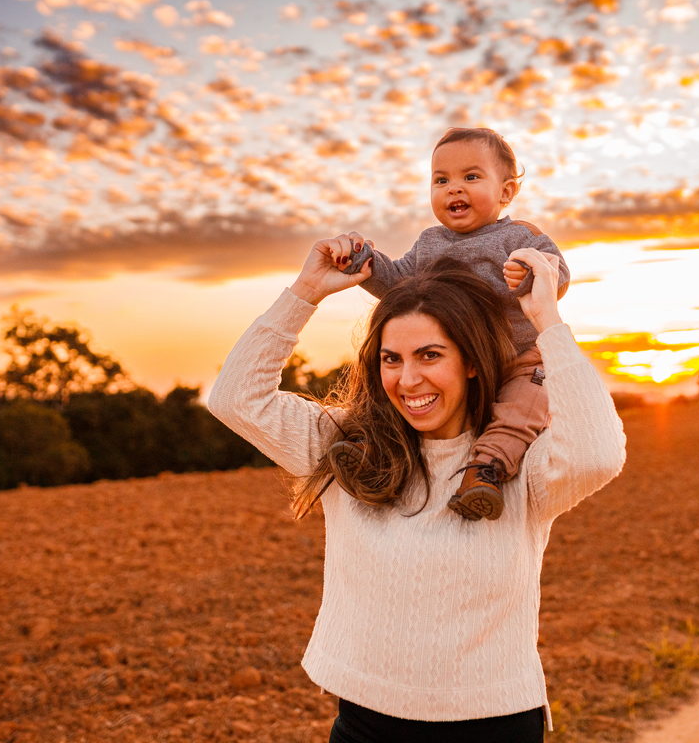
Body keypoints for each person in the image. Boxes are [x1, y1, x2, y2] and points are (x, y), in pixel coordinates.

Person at [207, 242, 625, 742]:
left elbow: (600, 452)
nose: (408, 380)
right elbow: (235, 397)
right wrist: (306, 292)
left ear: (471, 362)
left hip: (492, 725)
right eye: (391, 359)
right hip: (367, 725)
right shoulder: (346, 448)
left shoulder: (512, 461)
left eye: (430, 355)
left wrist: (548, 323)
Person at [329, 127, 570, 522]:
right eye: (441, 180)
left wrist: (529, 275)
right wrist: (362, 261)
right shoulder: (429, 243)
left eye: (470, 177)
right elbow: (395, 280)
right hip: (454, 361)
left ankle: (484, 471)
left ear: (506, 192)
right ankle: (368, 448)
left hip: (518, 357)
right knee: (401, 377)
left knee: (525, 406)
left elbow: (556, 272)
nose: (454, 189)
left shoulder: (518, 236)